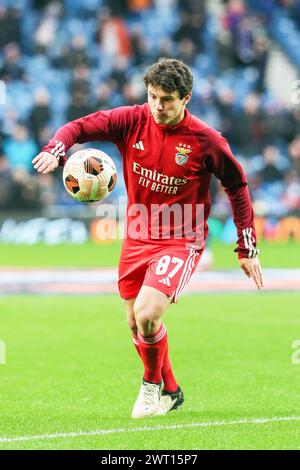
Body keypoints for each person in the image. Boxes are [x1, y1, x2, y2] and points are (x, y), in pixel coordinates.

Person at [32, 58, 263, 419]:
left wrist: (246, 246)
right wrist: (55, 148)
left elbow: (237, 185)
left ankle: (150, 387)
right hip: (137, 234)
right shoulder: (132, 120)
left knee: (147, 313)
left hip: (182, 237)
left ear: (185, 98)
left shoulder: (206, 140)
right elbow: (78, 127)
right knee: (135, 323)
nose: (157, 106)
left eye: (167, 99)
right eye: (153, 96)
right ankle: (172, 390)